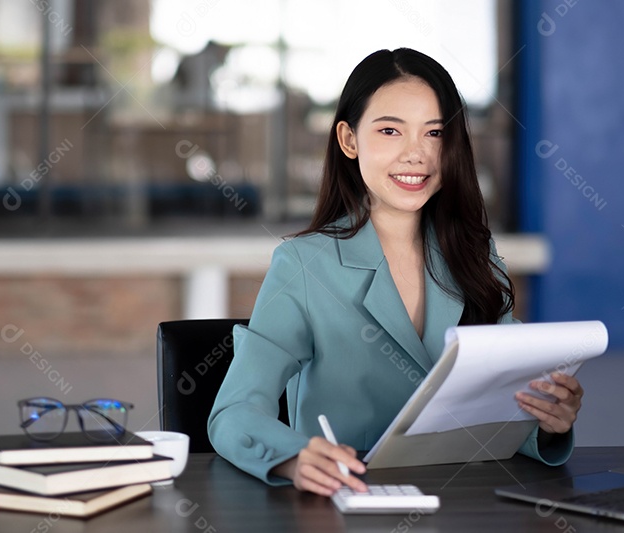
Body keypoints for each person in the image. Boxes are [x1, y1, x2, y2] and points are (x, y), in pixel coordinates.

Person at [208, 48, 584, 496]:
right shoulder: (305, 265)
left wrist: (546, 420)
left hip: (466, 502)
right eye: (390, 130)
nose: (416, 154)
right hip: (354, 500)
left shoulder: (475, 252)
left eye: (434, 133)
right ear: (349, 140)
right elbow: (234, 411)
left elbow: (496, 409)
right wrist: (291, 456)